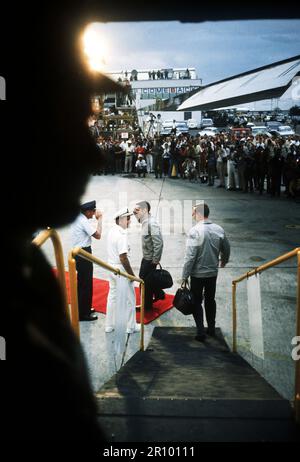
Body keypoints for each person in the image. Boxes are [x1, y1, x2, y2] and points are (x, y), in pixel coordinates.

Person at [182, 203, 230, 342]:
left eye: (193, 212)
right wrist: (223, 261)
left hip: (197, 275)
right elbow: (226, 248)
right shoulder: (219, 229)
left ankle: (200, 331)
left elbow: (190, 257)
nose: (192, 215)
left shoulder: (194, 231)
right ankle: (211, 328)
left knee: (197, 301)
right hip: (212, 274)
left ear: (198, 213)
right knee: (210, 300)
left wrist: (185, 275)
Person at [106, 207, 140, 334]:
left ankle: (109, 325)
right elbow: (123, 257)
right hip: (121, 269)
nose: (129, 221)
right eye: (127, 218)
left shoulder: (111, 231)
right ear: (120, 220)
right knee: (130, 299)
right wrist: (131, 275)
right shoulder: (122, 235)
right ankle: (131, 327)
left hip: (110, 266)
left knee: (112, 296)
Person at [71, 200, 102, 321]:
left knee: (82, 283)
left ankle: (83, 309)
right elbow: (98, 235)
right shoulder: (83, 221)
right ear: (88, 211)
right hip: (84, 254)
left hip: (78, 253)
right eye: (93, 211)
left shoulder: (78, 218)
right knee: (86, 284)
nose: (94, 213)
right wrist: (99, 219)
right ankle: (83, 314)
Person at [133, 201, 164, 311]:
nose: (134, 212)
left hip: (150, 259)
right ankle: (158, 293)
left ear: (145, 210)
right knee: (147, 280)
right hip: (146, 257)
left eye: (137, 210)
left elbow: (158, 243)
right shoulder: (145, 221)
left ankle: (146, 306)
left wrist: (155, 259)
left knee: (144, 281)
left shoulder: (151, 223)